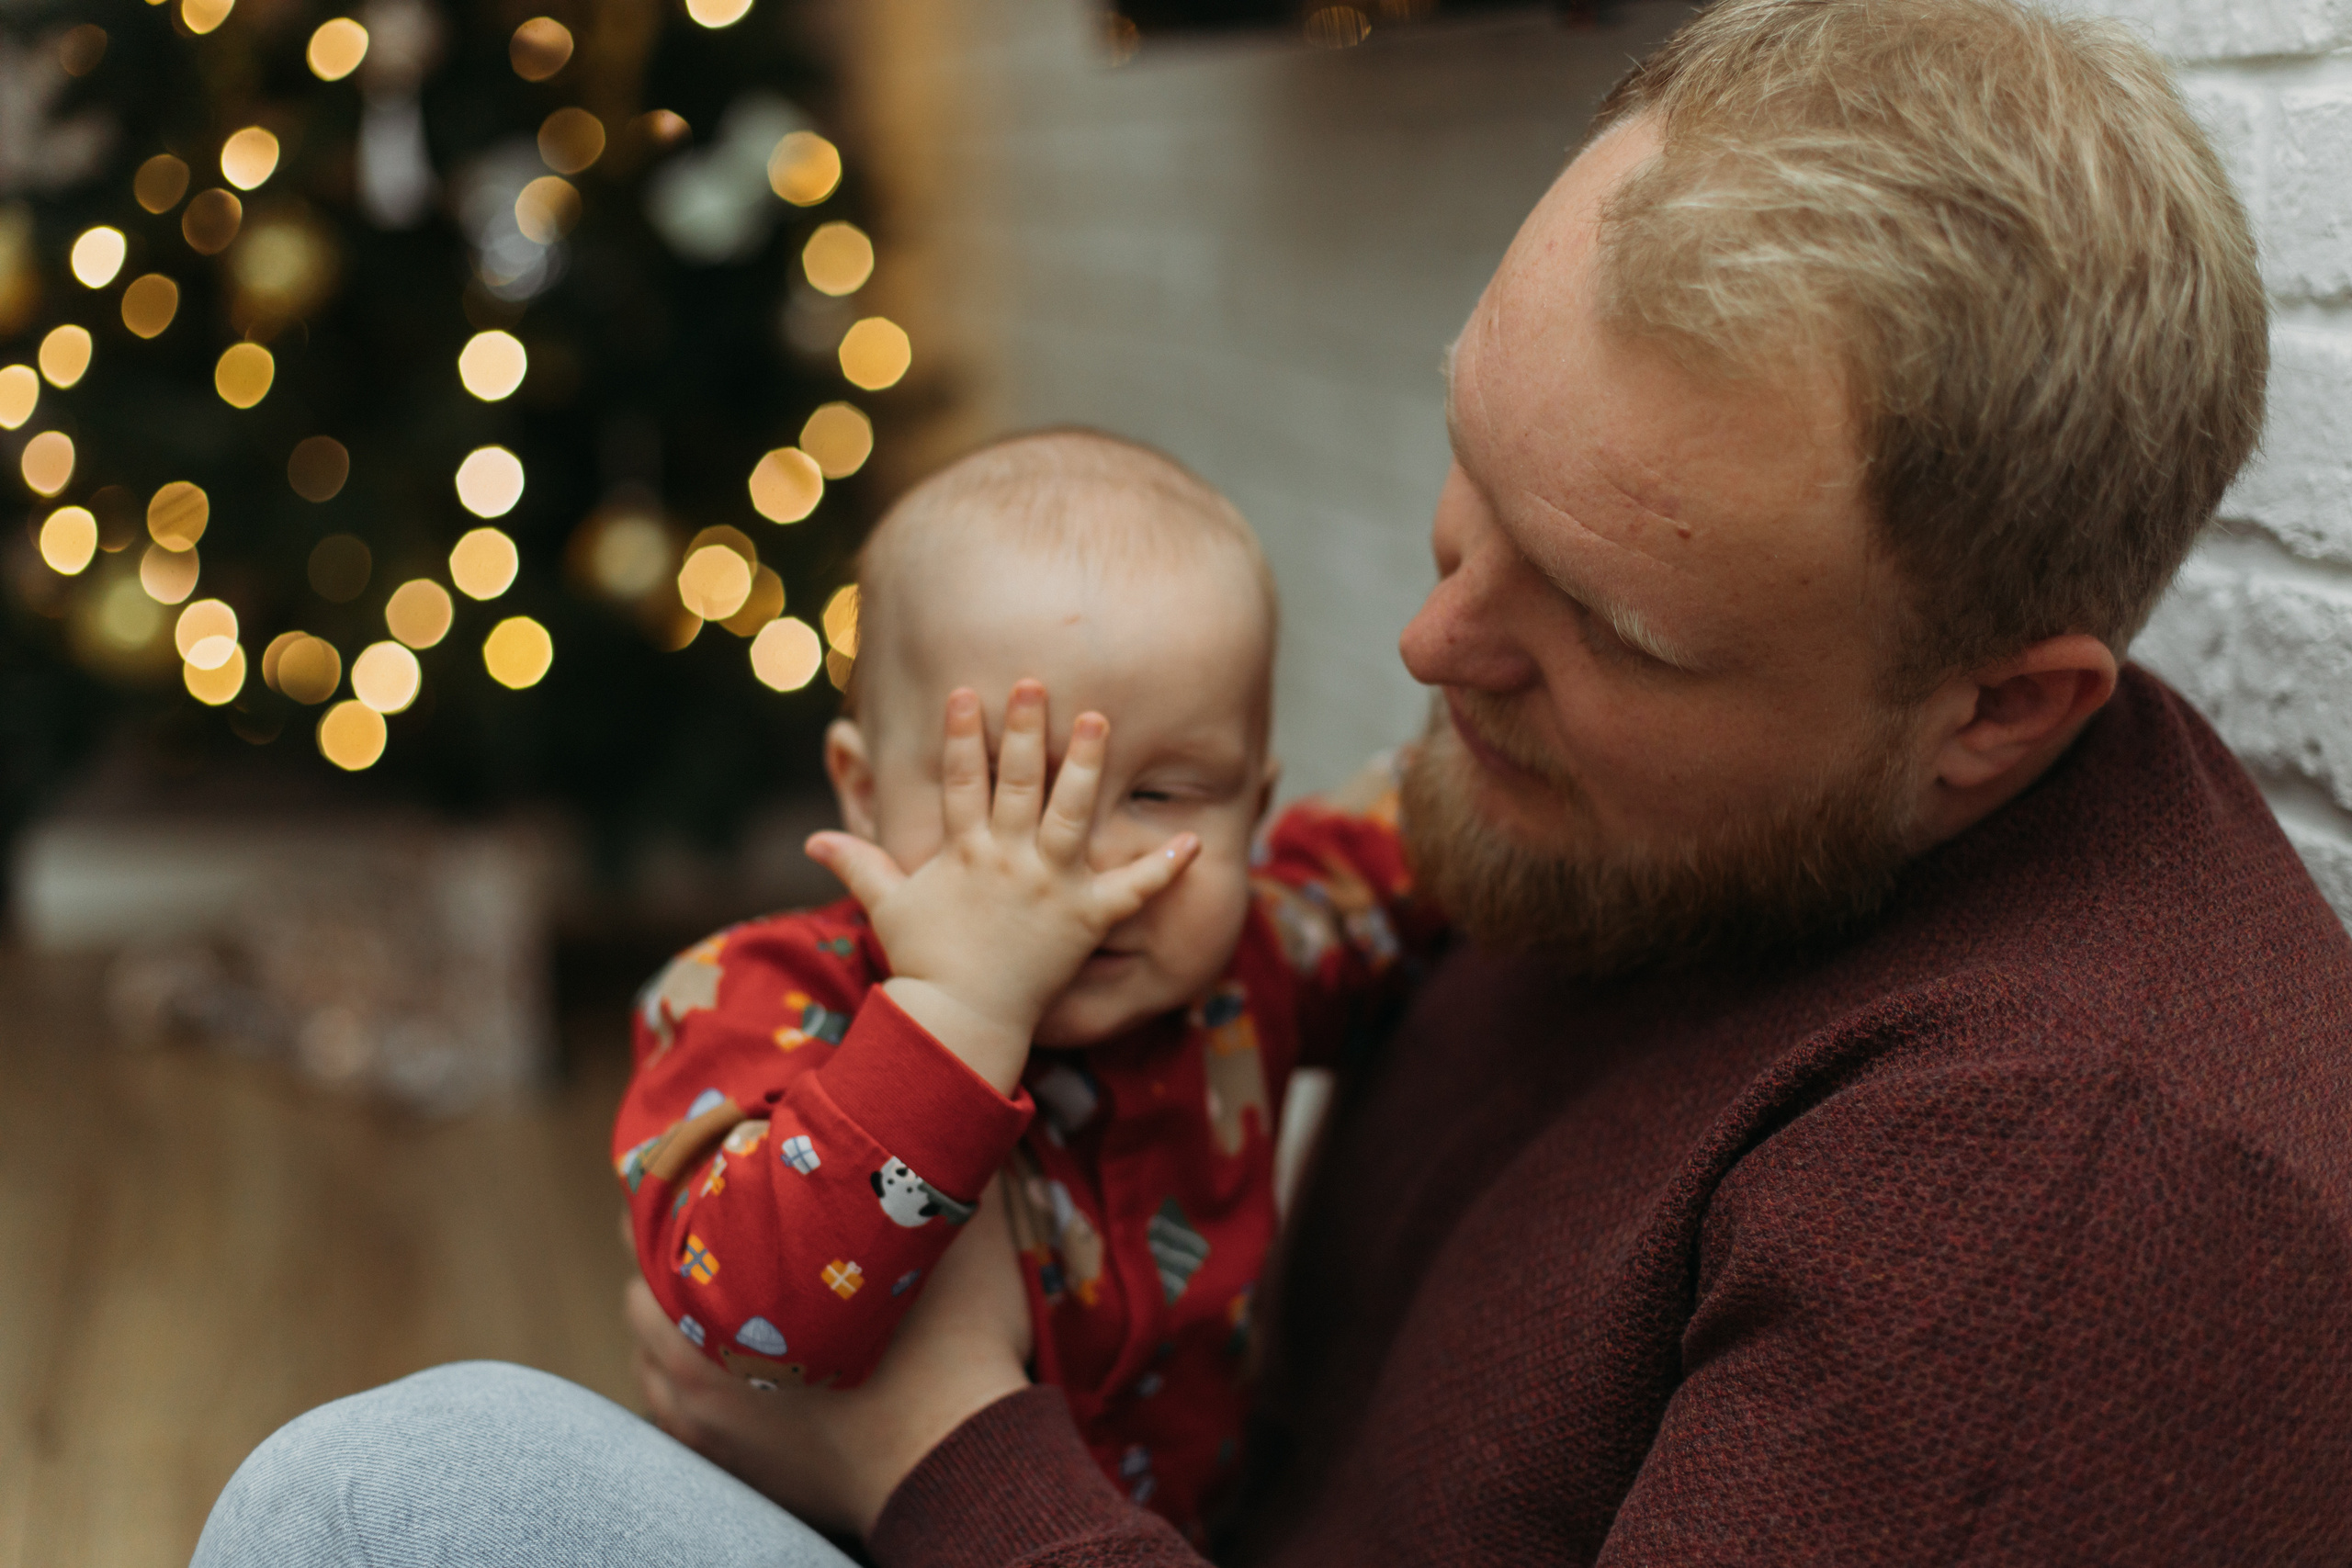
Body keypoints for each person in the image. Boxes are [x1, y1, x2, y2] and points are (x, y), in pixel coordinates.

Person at [192, 0, 2352, 1563]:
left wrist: (940, 1438)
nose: (1429, 642)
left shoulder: (2065, 1225)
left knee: (387, 1495)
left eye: (1607, 621)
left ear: (1993, 709)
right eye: (1466, 473)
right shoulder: (1655, 814)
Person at [611, 431, 1429, 1540]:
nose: (1074, 869)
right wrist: (957, 1013)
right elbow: (746, 1315)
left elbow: (1422, 846)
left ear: (1250, 805)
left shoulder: (1254, 965)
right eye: (1001, 790)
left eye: (1164, 794)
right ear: (860, 789)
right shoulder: (753, 996)